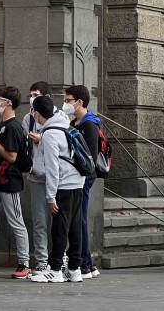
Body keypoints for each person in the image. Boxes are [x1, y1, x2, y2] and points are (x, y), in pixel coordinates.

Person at [29, 96, 86, 284]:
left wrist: (50, 196)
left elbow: (52, 169)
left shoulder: (50, 134)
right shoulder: (63, 124)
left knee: (59, 227)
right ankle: (74, 269)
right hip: (78, 181)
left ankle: (55, 270)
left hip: (64, 185)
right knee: (75, 226)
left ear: (37, 114)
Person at [0, 86, 32, 279]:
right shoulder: (4, 125)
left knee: (16, 221)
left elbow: (12, 157)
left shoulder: (13, 127)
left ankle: (24, 262)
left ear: (9, 103)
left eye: (0, 100)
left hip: (10, 181)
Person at [66, 85, 102, 279]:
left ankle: (84, 264)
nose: (66, 104)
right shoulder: (75, 122)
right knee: (77, 219)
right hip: (75, 177)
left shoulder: (89, 124)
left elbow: (90, 156)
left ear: (79, 102)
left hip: (83, 178)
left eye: (68, 100)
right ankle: (87, 263)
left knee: (79, 219)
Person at [23, 81, 52, 275]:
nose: (32, 99)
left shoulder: (59, 117)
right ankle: (42, 260)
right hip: (36, 175)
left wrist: (42, 139)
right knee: (39, 221)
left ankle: (60, 257)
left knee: (59, 221)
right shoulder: (28, 118)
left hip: (56, 176)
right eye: (30, 95)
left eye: (36, 95)